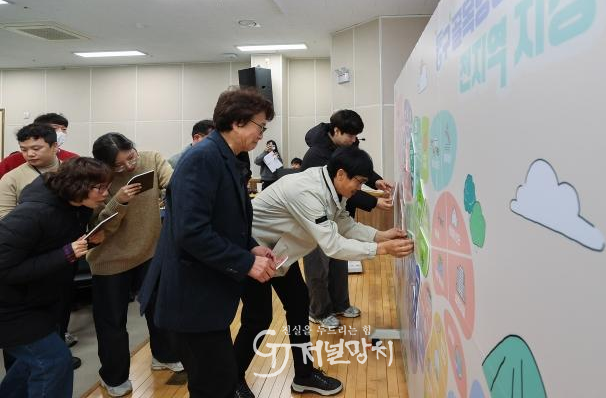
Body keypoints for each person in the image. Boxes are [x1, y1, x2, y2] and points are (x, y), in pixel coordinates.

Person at [233, 146, 413, 397]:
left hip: (280, 252)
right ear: (341, 174)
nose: (359, 188)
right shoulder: (307, 191)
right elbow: (332, 245)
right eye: (359, 181)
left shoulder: (331, 186)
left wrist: (380, 235)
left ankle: (304, 376)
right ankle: (231, 382)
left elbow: (343, 223)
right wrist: (382, 249)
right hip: (253, 250)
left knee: (298, 304)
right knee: (258, 318)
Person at [138, 88, 277, 398]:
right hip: (190, 299)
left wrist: (250, 246)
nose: (261, 134)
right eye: (260, 126)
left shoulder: (227, 157)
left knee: (219, 381)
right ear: (238, 122)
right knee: (214, 385)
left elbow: (225, 221)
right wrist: (246, 262)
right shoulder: (203, 158)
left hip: (206, 296)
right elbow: (191, 232)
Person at [0, 157, 112, 397]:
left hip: (40, 299)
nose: (106, 193)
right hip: (10, 307)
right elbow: (4, 268)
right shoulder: (32, 214)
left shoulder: (78, 207)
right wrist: (66, 254)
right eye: (100, 188)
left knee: (31, 364)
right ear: (78, 187)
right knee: (54, 362)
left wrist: (87, 243)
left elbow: (56, 244)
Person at [89, 133, 181, 397]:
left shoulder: (151, 159)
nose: (129, 166)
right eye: (118, 166)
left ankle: (164, 355)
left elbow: (174, 183)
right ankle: (114, 376)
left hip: (148, 253)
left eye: (130, 157)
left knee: (159, 310)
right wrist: (119, 201)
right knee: (112, 323)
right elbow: (97, 230)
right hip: (109, 260)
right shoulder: (98, 179)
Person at [0, 123, 84, 369]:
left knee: (59, 313)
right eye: (24, 149)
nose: (29, 154)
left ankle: (56, 354)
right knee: (22, 334)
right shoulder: (12, 178)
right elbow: (5, 221)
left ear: (55, 146)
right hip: (28, 262)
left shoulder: (72, 172)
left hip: (63, 259)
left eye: (36, 148)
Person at [301, 110, 394, 329]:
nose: (354, 141)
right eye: (350, 136)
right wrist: (374, 203)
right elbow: (344, 186)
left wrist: (376, 181)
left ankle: (340, 305)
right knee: (318, 267)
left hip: (338, 212)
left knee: (339, 262)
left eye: (356, 137)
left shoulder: (347, 147)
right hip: (314, 218)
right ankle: (319, 312)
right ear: (336, 131)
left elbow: (357, 171)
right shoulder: (316, 155)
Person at [0, 113, 78, 179]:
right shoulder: (11, 162)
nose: (60, 133)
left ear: (55, 146)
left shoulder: (74, 159)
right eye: (54, 128)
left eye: (64, 129)